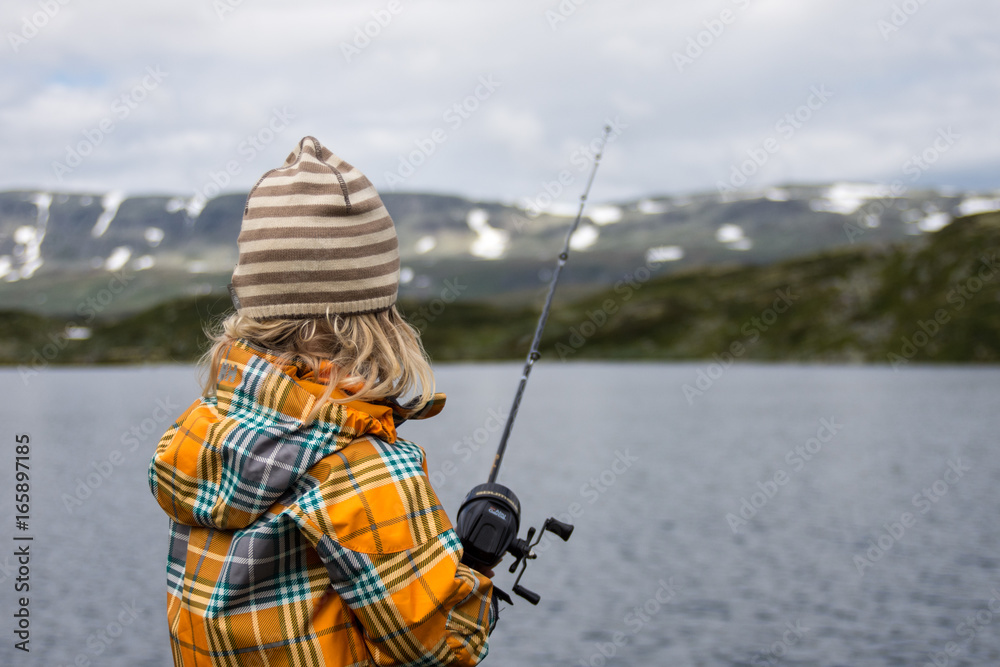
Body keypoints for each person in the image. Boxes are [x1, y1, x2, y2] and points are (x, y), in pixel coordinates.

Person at [148, 136, 497, 666]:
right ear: (376, 322)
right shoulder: (360, 472)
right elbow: (440, 648)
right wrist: (476, 573)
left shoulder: (198, 434)